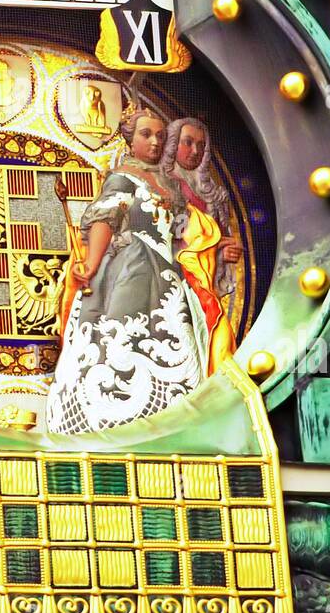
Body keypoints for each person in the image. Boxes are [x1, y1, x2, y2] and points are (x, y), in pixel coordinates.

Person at [46, 106, 234, 435]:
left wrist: (215, 248)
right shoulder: (123, 177)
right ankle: (115, 412)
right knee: (121, 338)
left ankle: (169, 417)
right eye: (146, 134)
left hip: (168, 273)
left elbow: (184, 234)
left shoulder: (167, 184)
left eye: (161, 136)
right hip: (131, 267)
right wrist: (90, 264)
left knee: (175, 338)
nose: (155, 142)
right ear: (130, 140)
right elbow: (105, 220)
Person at [161, 117, 242, 301]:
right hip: (173, 284)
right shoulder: (161, 187)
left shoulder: (213, 192)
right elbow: (168, 242)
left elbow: (221, 236)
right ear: (173, 143)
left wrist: (225, 252)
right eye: (188, 143)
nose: (195, 151)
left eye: (201, 145)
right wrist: (215, 248)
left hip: (208, 279)